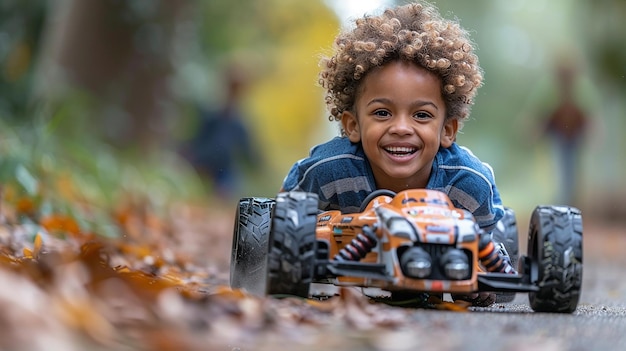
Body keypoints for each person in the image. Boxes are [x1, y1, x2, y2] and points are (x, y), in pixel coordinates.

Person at [280, 2, 514, 306]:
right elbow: (283, 216)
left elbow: (489, 246)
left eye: (421, 115)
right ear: (353, 126)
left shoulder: (468, 184)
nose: (401, 128)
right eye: (382, 112)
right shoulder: (329, 170)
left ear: (448, 131)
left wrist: (489, 272)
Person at [184, 64, 259, 200]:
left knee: (225, 190)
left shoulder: (239, 124)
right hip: (204, 163)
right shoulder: (211, 115)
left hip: (224, 171)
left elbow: (249, 154)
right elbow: (197, 139)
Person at [542, 63, 589, 206]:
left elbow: (588, 111)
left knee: (570, 167)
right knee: (562, 166)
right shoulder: (551, 90)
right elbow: (543, 110)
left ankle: (570, 199)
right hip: (559, 134)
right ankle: (564, 199)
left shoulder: (581, 90)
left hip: (574, 135)